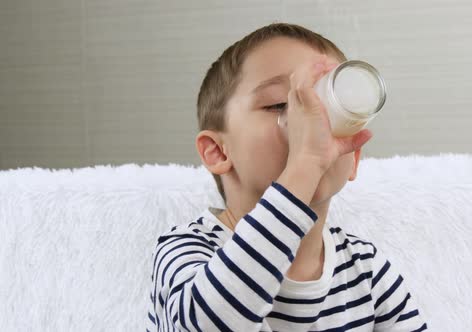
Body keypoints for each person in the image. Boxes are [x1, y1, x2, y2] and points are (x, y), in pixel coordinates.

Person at [146, 22, 428, 331]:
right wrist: (305, 162)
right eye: (281, 104)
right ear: (218, 151)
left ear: (354, 159)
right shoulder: (186, 251)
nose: (312, 125)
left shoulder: (366, 271)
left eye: (326, 109)